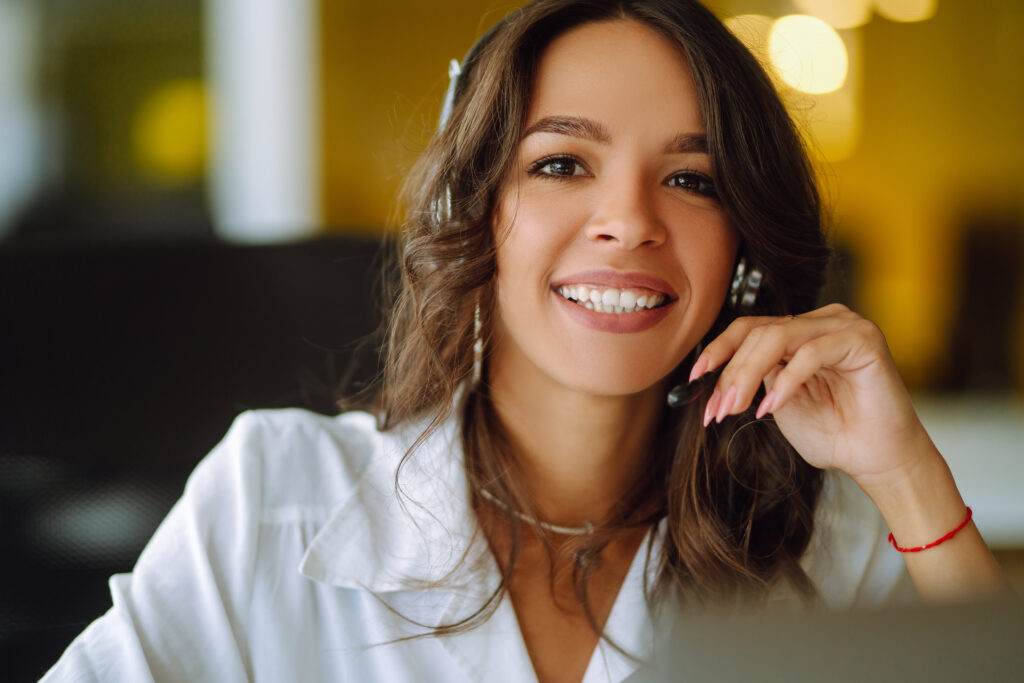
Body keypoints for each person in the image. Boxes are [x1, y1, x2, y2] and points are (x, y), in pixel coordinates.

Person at [42, 1, 1011, 681]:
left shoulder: (826, 539)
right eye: (561, 162)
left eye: (691, 179)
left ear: (741, 252)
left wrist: (906, 472)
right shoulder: (277, 492)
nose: (627, 219)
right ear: (477, 212)